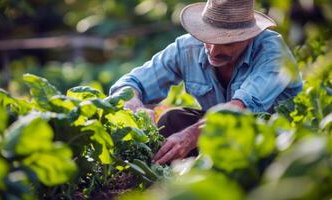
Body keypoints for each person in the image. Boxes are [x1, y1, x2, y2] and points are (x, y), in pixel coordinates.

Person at [109, 0, 303, 164]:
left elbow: (239, 109)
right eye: (207, 38)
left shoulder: (273, 54)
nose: (213, 50)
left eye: (227, 42)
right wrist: (134, 106)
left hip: (273, 141)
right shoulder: (187, 47)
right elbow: (130, 83)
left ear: (250, 37)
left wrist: (190, 136)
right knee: (172, 119)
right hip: (220, 133)